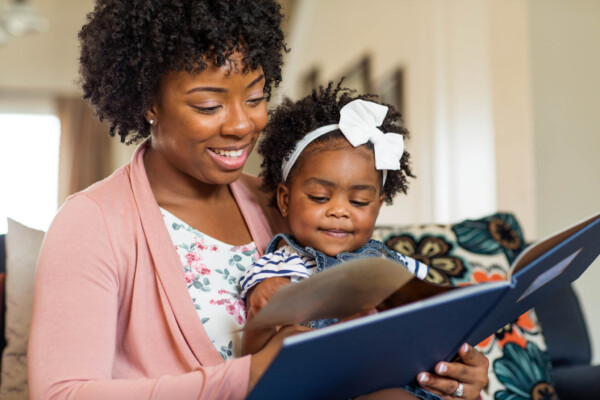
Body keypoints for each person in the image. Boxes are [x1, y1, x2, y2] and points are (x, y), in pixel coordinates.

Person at [27, 1, 488, 399]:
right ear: (148, 102)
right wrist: (252, 375)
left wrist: (444, 370)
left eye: (255, 97)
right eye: (209, 106)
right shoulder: (92, 223)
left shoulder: (283, 203)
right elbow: (61, 393)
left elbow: (366, 334)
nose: (242, 125)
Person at [241, 82, 487, 400]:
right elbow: (258, 331)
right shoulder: (284, 262)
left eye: (358, 202)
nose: (340, 211)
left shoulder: (400, 266)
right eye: (319, 197)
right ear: (285, 199)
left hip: (404, 382)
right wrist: (267, 298)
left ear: (379, 205)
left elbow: (435, 321)